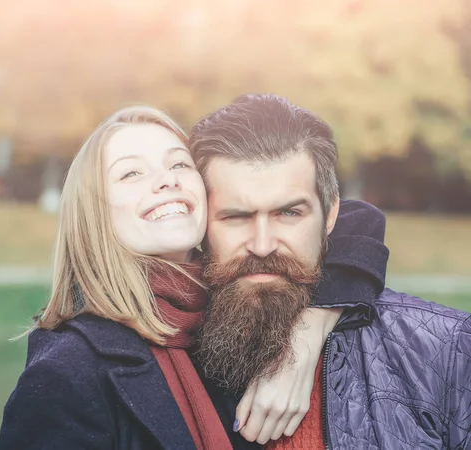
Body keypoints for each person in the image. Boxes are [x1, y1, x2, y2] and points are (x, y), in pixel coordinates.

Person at [0, 106, 388, 450]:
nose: (166, 180)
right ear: (93, 212)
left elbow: (356, 217)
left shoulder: (229, 311)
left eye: (178, 164)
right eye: (131, 172)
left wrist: (308, 332)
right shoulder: (68, 371)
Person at [189, 94, 471, 449]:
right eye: (236, 216)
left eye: (289, 213)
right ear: (199, 222)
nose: (262, 245)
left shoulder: (446, 352)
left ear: (331, 215)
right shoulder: (154, 346)